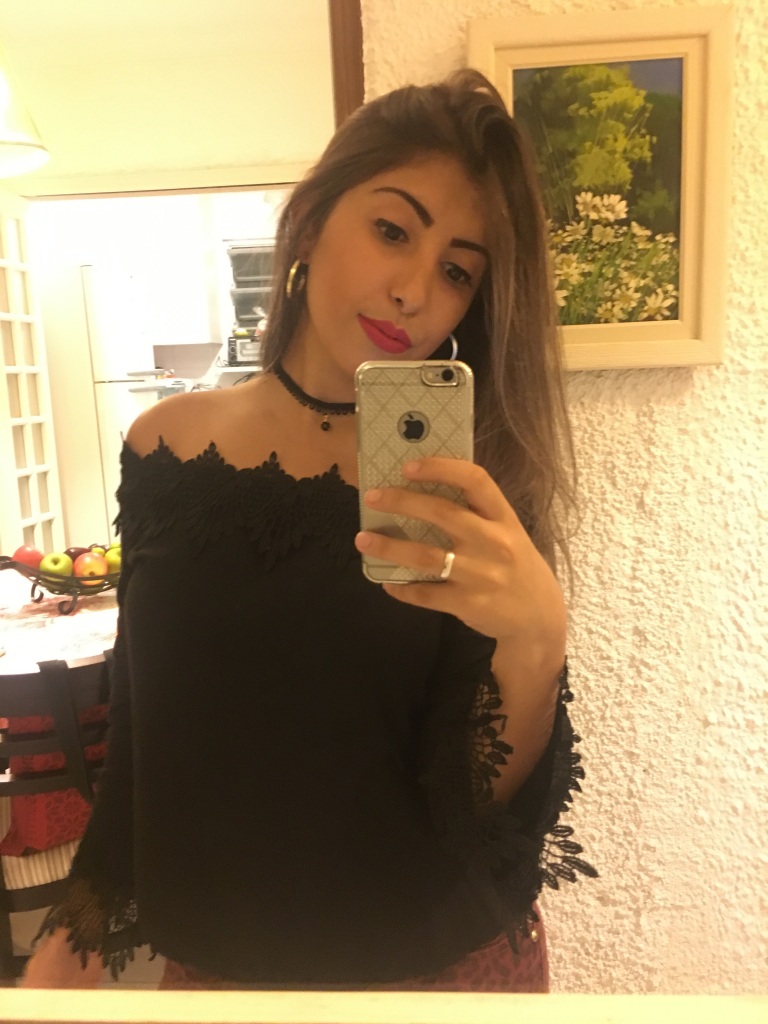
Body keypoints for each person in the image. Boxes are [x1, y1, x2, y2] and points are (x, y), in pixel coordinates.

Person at [23, 68, 595, 992]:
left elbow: (474, 808)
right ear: (313, 216)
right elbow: (144, 733)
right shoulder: (165, 445)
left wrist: (538, 640)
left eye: (457, 270)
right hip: (222, 983)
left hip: (438, 982)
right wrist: (71, 945)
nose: (413, 289)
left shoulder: (469, 484)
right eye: (392, 230)